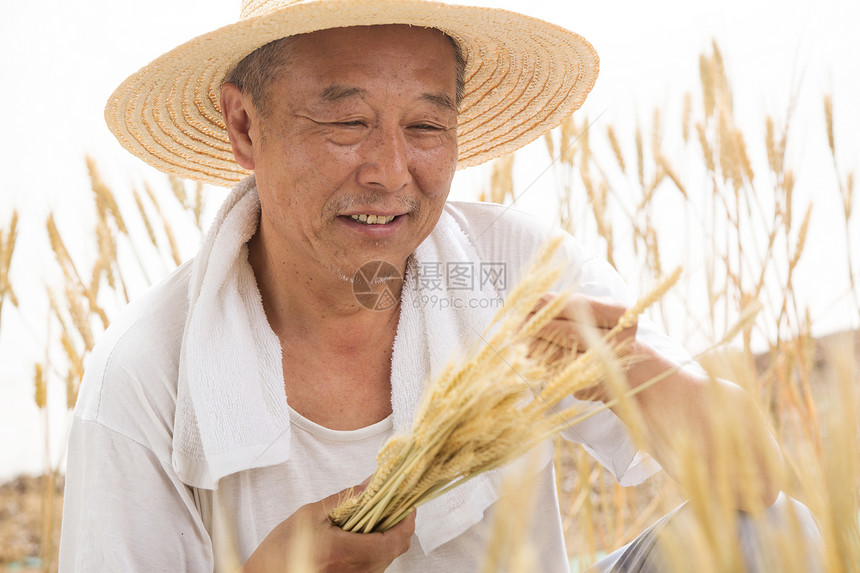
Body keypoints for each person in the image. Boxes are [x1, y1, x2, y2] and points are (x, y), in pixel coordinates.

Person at [59, 1, 821, 571]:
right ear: (244, 126)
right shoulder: (142, 384)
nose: (391, 172)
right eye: (347, 122)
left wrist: (632, 367)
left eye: (426, 127)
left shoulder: (513, 266)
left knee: (777, 537)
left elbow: (760, 481)